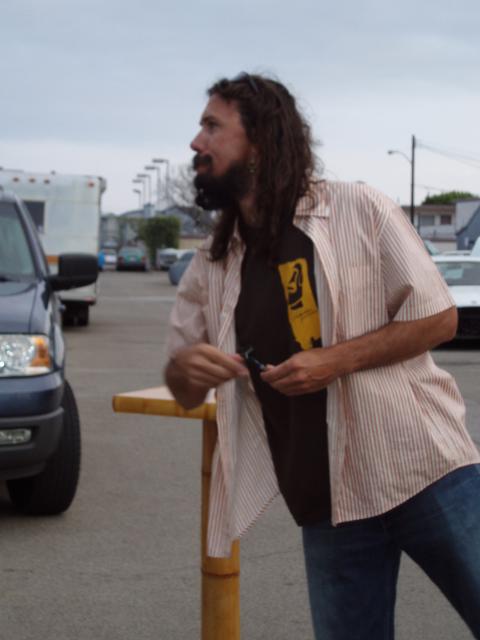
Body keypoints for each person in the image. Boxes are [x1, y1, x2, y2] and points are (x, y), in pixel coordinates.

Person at [164, 72, 480, 639]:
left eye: (212, 126)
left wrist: (336, 360)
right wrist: (183, 371)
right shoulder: (212, 262)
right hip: (325, 504)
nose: (196, 142)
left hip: (424, 471)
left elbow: (439, 317)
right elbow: (185, 386)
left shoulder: (358, 209)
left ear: (260, 141)